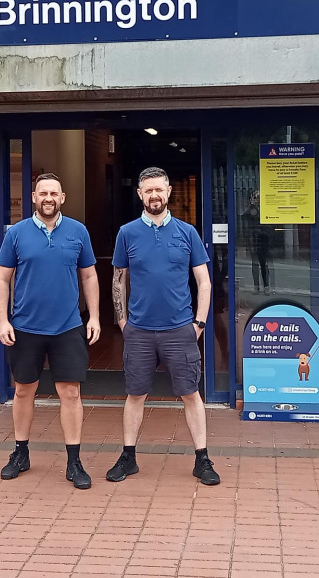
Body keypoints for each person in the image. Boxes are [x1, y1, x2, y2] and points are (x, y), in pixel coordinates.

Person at [107, 166, 219, 486]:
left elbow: (204, 282)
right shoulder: (127, 233)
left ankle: (202, 459)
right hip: (139, 331)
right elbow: (118, 279)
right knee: (135, 395)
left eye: (160, 189)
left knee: (190, 394)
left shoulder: (187, 233)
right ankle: (128, 457)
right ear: (140, 194)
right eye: (148, 190)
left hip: (179, 329)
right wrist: (122, 321)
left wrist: (198, 322)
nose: (154, 195)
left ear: (169, 192)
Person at [0, 172, 101, 489]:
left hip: (68, 326)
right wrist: (3, 320)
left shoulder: (78, 232)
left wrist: (94, 317)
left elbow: (90, 277)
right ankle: (21, 453)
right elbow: (2, 279)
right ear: (34, 197)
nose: (48, 198)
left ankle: (74, 461)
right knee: (23, 390)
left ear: (62, 197)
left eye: (54, 193)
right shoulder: (17, 234)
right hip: (25, 326)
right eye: (43, 193)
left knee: (70, 393)